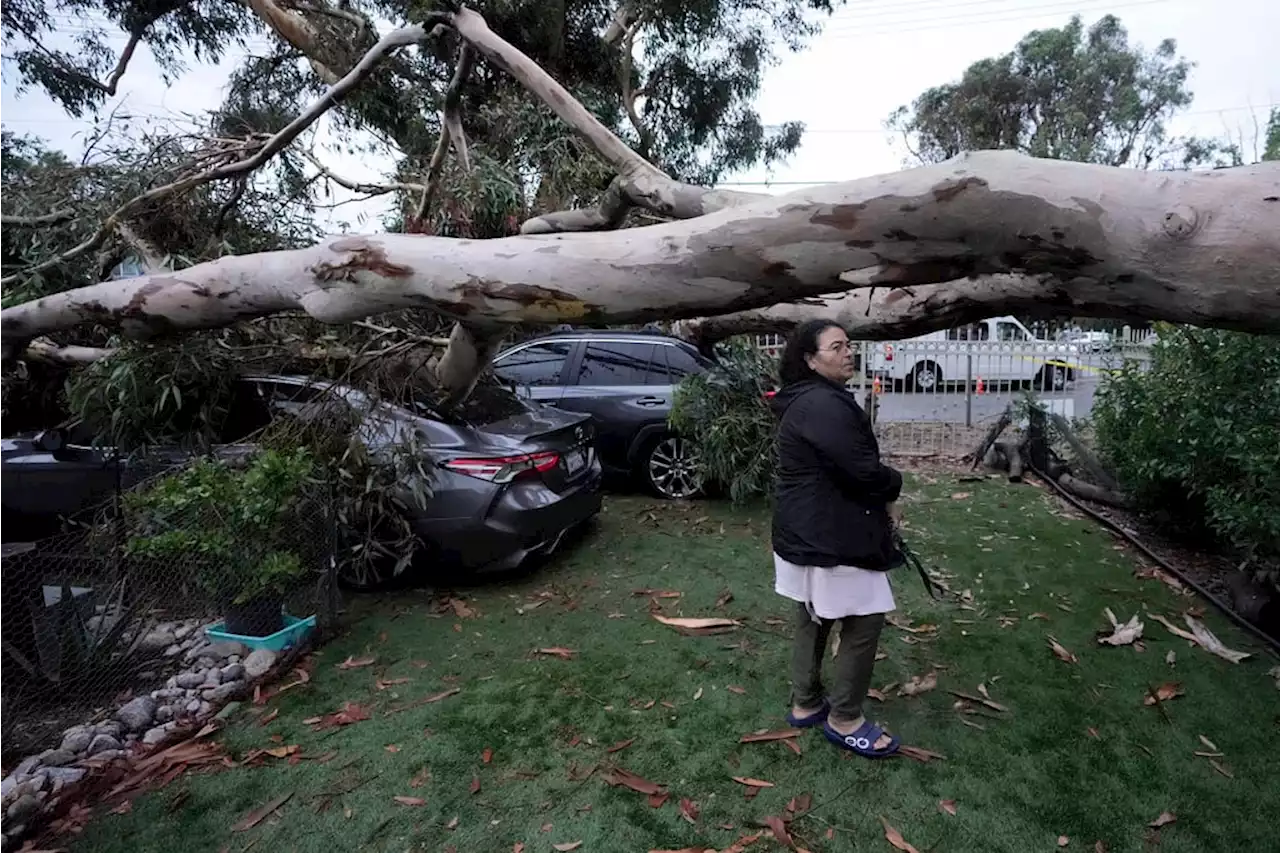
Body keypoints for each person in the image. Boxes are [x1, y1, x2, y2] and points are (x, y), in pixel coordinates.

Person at [769, 319, 905, 759]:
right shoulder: (823, 406)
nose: (849, 353)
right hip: (831, 537)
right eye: (837, 347)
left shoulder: (808, 399)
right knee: (865, 619)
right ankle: (845, 718)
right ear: (811, 360)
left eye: (849, 345)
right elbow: (863, 471)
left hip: (808, 530)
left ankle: (806, 702)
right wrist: (895, 484)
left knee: (813, 614)